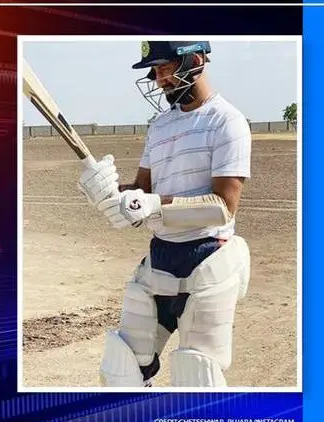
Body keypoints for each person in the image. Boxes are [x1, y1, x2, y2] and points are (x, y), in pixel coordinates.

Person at [78, 41, 252, 387]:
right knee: (120, 370)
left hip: (208, 259)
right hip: (159, 259)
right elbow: (141, 192)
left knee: (196, 376)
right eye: (154, 72)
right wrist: (107, 193)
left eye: (164, 68)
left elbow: (222, 207)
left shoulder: (227, 122)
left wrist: (155, 204)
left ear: (196, 60)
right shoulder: (160, 126)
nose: (159, 80)